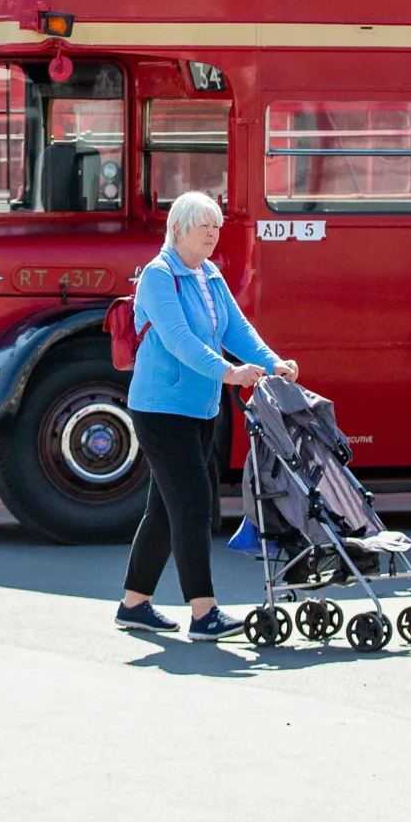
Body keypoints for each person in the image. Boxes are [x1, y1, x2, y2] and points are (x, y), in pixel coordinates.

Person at [117, 189, 296, 643]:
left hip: (199, 409)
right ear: (179, 229)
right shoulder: (159, 277)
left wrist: (273, 361)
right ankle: (203, 612)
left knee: (165, 508)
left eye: (218, 227)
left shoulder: (209, 274)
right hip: (161, 409)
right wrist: (230, 372)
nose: (214, 235)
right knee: (195, 504)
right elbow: (179, 340)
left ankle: (133, 605)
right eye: (206, 228)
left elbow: (237, 328)